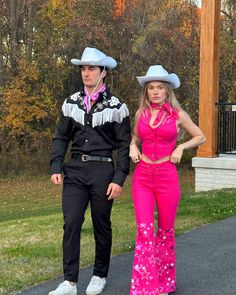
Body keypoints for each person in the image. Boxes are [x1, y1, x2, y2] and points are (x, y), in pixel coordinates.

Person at [49, 47, 131, 295]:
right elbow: (61, 137)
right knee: (71, 222)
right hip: (74, 170)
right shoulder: (71, 102)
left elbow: (124, 145)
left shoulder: (116, 106)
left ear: (103, 72)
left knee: (101, 223)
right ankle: (70, 282)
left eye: (91, 68)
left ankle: (99, 275)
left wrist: (119, 178)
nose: (86, 73)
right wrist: (56, 165)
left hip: (103, 171)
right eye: (83, 68)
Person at [129, 65, 206, 295]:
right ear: (146, 91)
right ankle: (144, 286)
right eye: (151, 88)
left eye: (159, 87)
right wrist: (132, 145)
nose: (155, 92)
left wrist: (181, 146)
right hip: (142, 176)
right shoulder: (140, 114)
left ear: (167, 90)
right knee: (144, 229)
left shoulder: (178, 115)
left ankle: (164, 284)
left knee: (165, 230)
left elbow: (201, 136)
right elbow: (134, 136)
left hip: (166, 176)